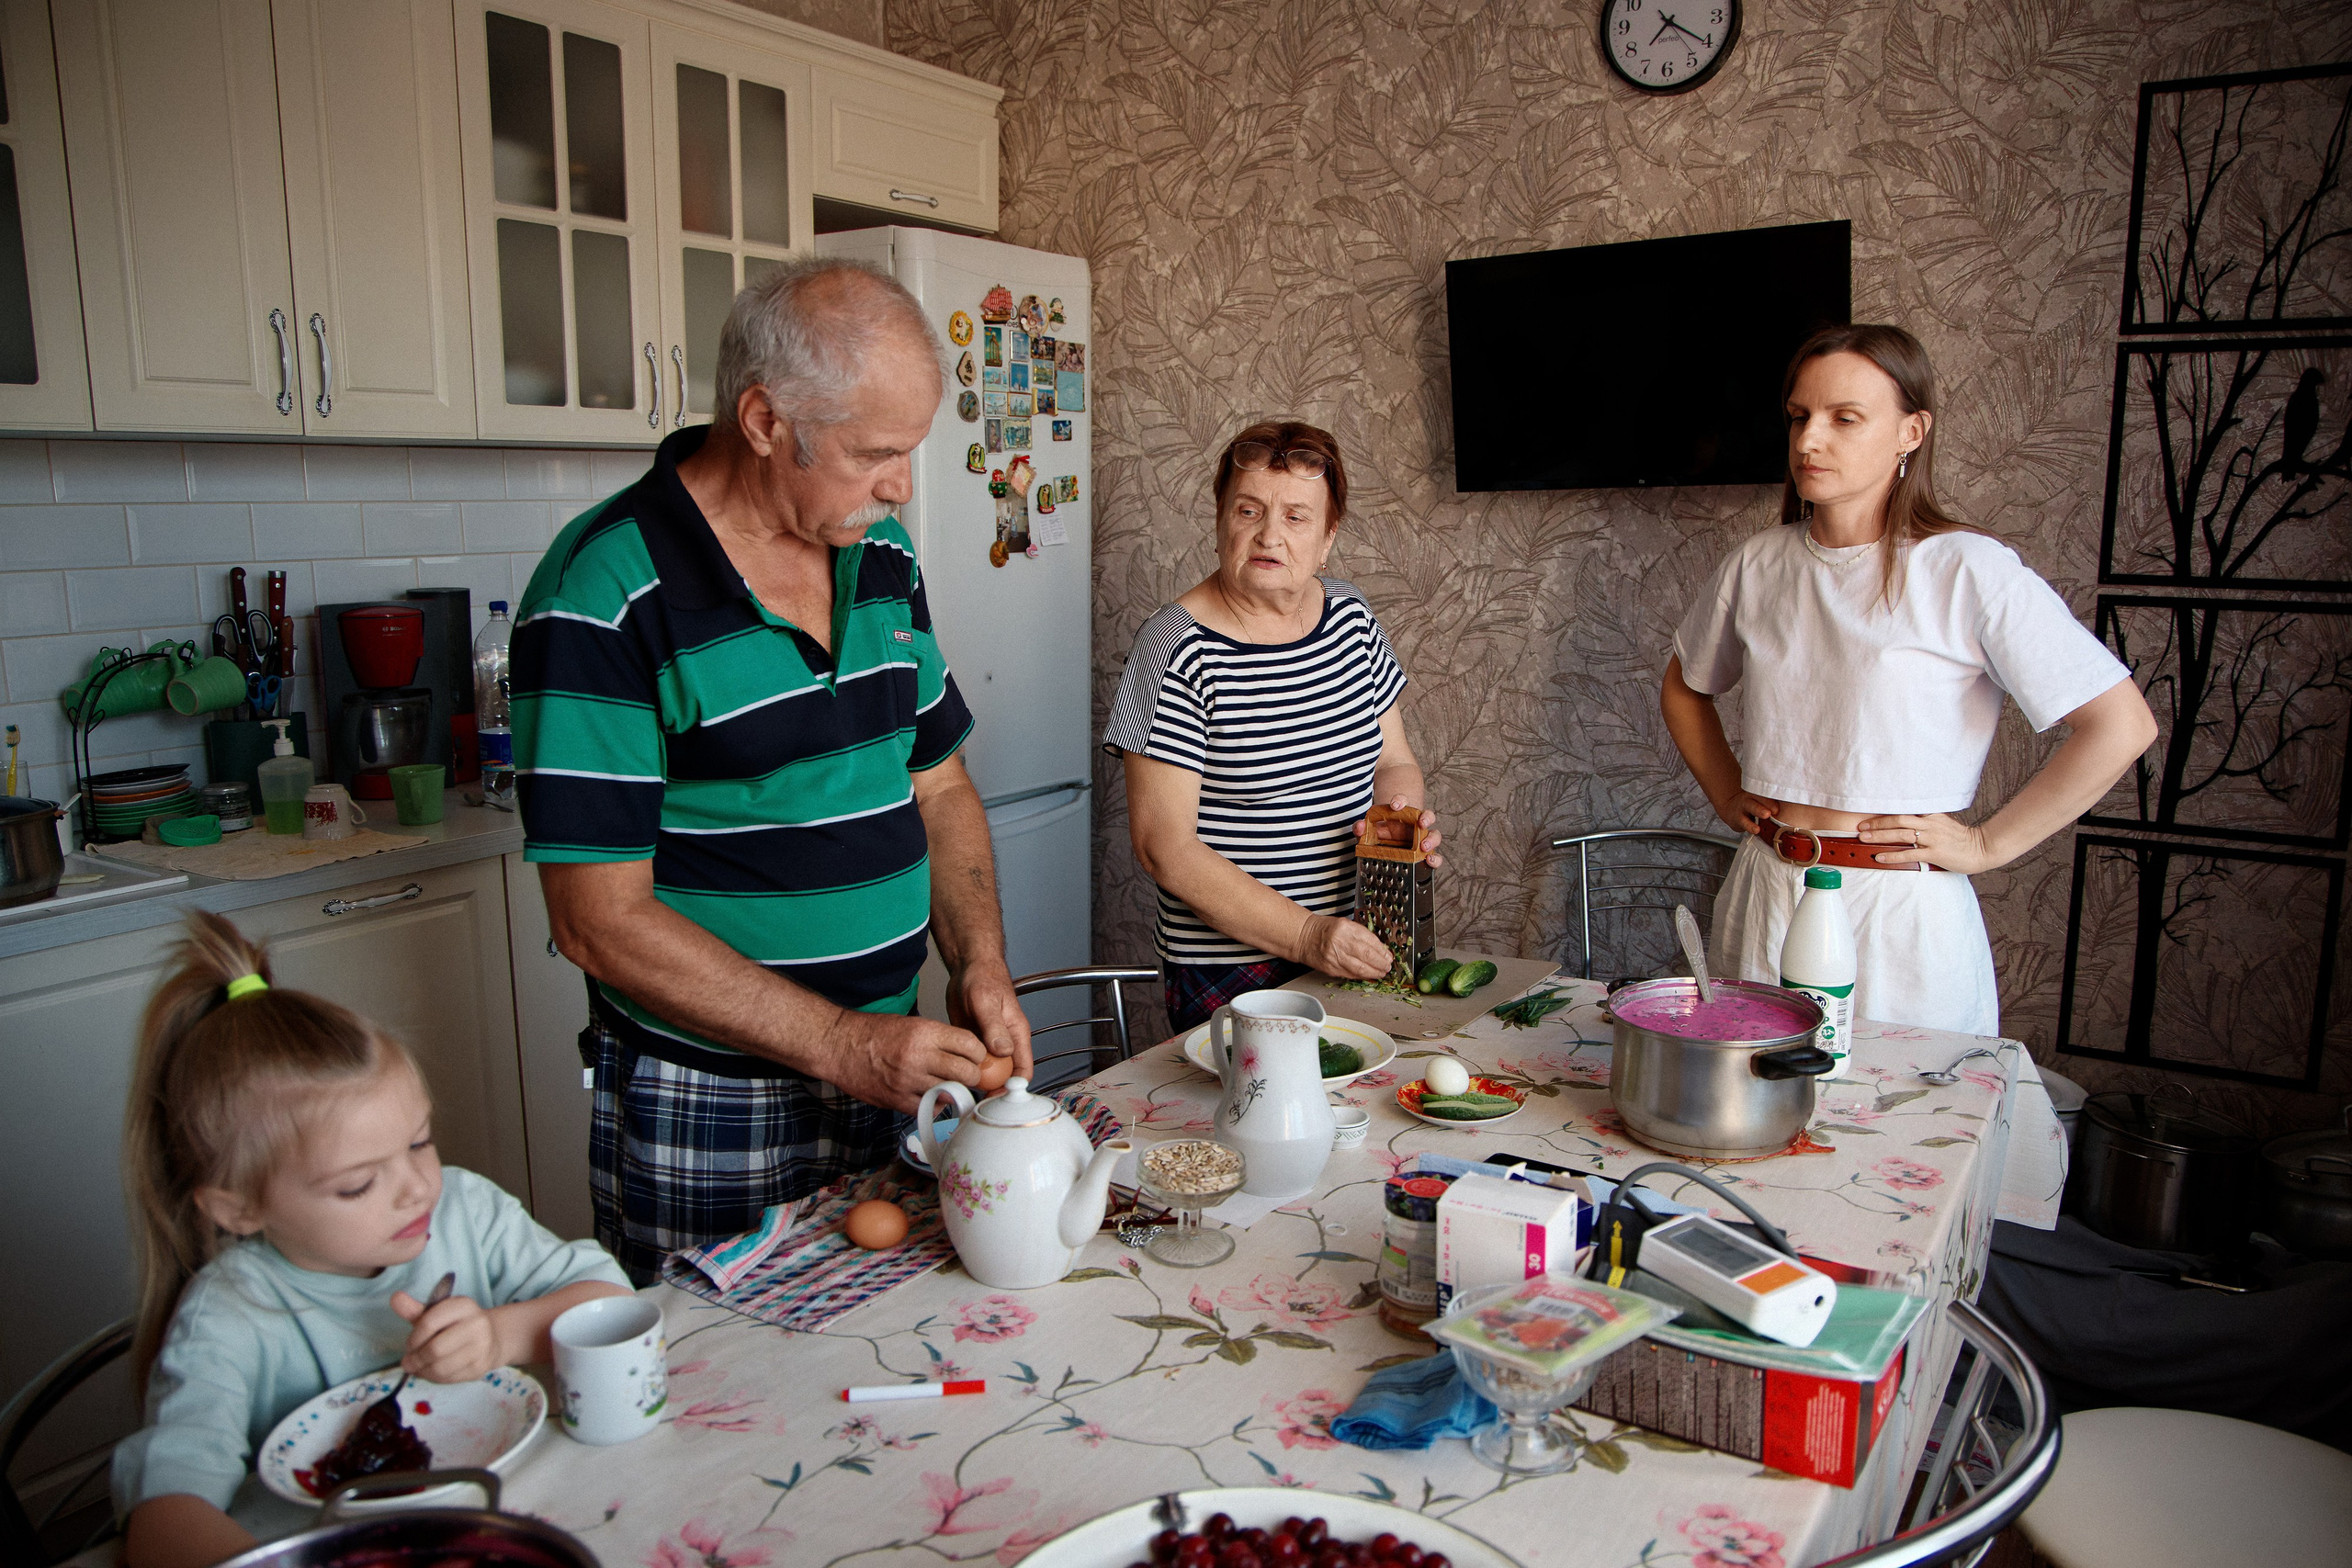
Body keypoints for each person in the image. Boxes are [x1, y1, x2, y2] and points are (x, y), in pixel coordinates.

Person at [515, 256, 1032, 1281]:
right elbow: (594, 918)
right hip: (708, 1100)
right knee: (720, 1409)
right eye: (876, 453)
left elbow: (938, 785)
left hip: (889, 1068)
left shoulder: (880, 557)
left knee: (889, 1359)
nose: (901, 487)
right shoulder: (602, 591)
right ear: (762, 420)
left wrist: (976, 961)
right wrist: (841, 1044)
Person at [1662, 323, 2158, 1034]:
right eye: (1800, 416)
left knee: (1897, 1130)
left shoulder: (1966, 569)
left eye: (1845, 418)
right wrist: (1728, 788)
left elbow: (2121, 724)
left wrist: (1987, 844)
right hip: (1767, 889)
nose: (1808, 441)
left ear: (1911, 431)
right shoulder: (1758, 565)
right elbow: (1684, 685)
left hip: (1899, 914)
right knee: (1755, 1113)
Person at [113, 913, 631, 1568]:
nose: (417, 1187)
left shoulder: (464, 1210)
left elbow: (609, 1302)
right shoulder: (230, 1314)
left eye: (419, 1142)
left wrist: (502, 1335)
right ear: (239, 1208)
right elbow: (163, 1522)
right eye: (358, 1184)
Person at [1107, 421, 1441, 1032]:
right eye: (1250, 509)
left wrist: (1397, 828)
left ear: (1327, 538)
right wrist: (1309, 935)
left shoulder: (1352, 617)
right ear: (1220, 520)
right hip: (1232, 971)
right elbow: (1165, 848)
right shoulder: (1174, 648)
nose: (1268, 535)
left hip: (1347, 946)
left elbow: (1394, 760)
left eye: (1295, 517)